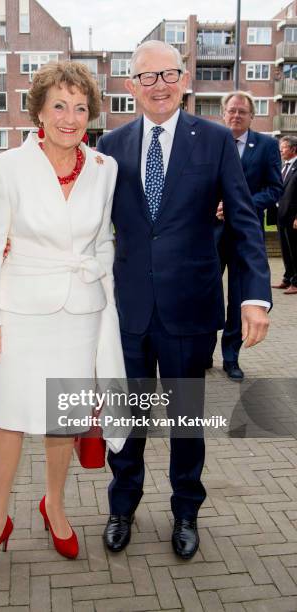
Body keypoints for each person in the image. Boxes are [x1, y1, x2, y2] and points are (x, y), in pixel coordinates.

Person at [97, 40, 271, 560]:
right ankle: (122, 506)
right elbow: (85, 221)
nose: (158, 85)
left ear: (184, 79)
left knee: (185, 421)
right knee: (126, 420)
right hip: (128, 310)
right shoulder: (109, 145)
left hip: (190, 309)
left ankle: (186, 512)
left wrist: (255, 296)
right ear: (131, 87)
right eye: (146, 77)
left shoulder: (216, 140)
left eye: (168, 74)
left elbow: (244, 221)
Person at [0, 61, 126, 581]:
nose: (70, 118)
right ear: (38, 109)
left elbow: (102, 240)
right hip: (21, 312)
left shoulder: (104, 168)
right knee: (8, 419)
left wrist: (98, 267)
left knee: (63, 421)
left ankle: (53, 505)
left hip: (80, 312)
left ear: (90, 113)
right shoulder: (8, 166)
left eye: (80, 107)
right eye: (59, 105)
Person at [210, 91, 283, 380]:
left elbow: (275, 188)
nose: (236, 115)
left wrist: (240, 205)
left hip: (245, 235)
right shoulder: (211, 143)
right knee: (205, 295)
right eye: (232, 111)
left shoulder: (266, 146)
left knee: (240, 297)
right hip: (211, 233)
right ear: (223, 114)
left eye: (243, 111)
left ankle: (231, 357)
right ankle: (203, 351)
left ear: (252, 116)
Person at [272, 135, 297, 294]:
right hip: (281, 215)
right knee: (285, 249)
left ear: (294, 149)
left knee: (295, 249)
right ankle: (288, 278)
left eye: (284, 147)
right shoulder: (283, 166)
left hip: (293, 216)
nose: (281, 150)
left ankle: (296, 282)